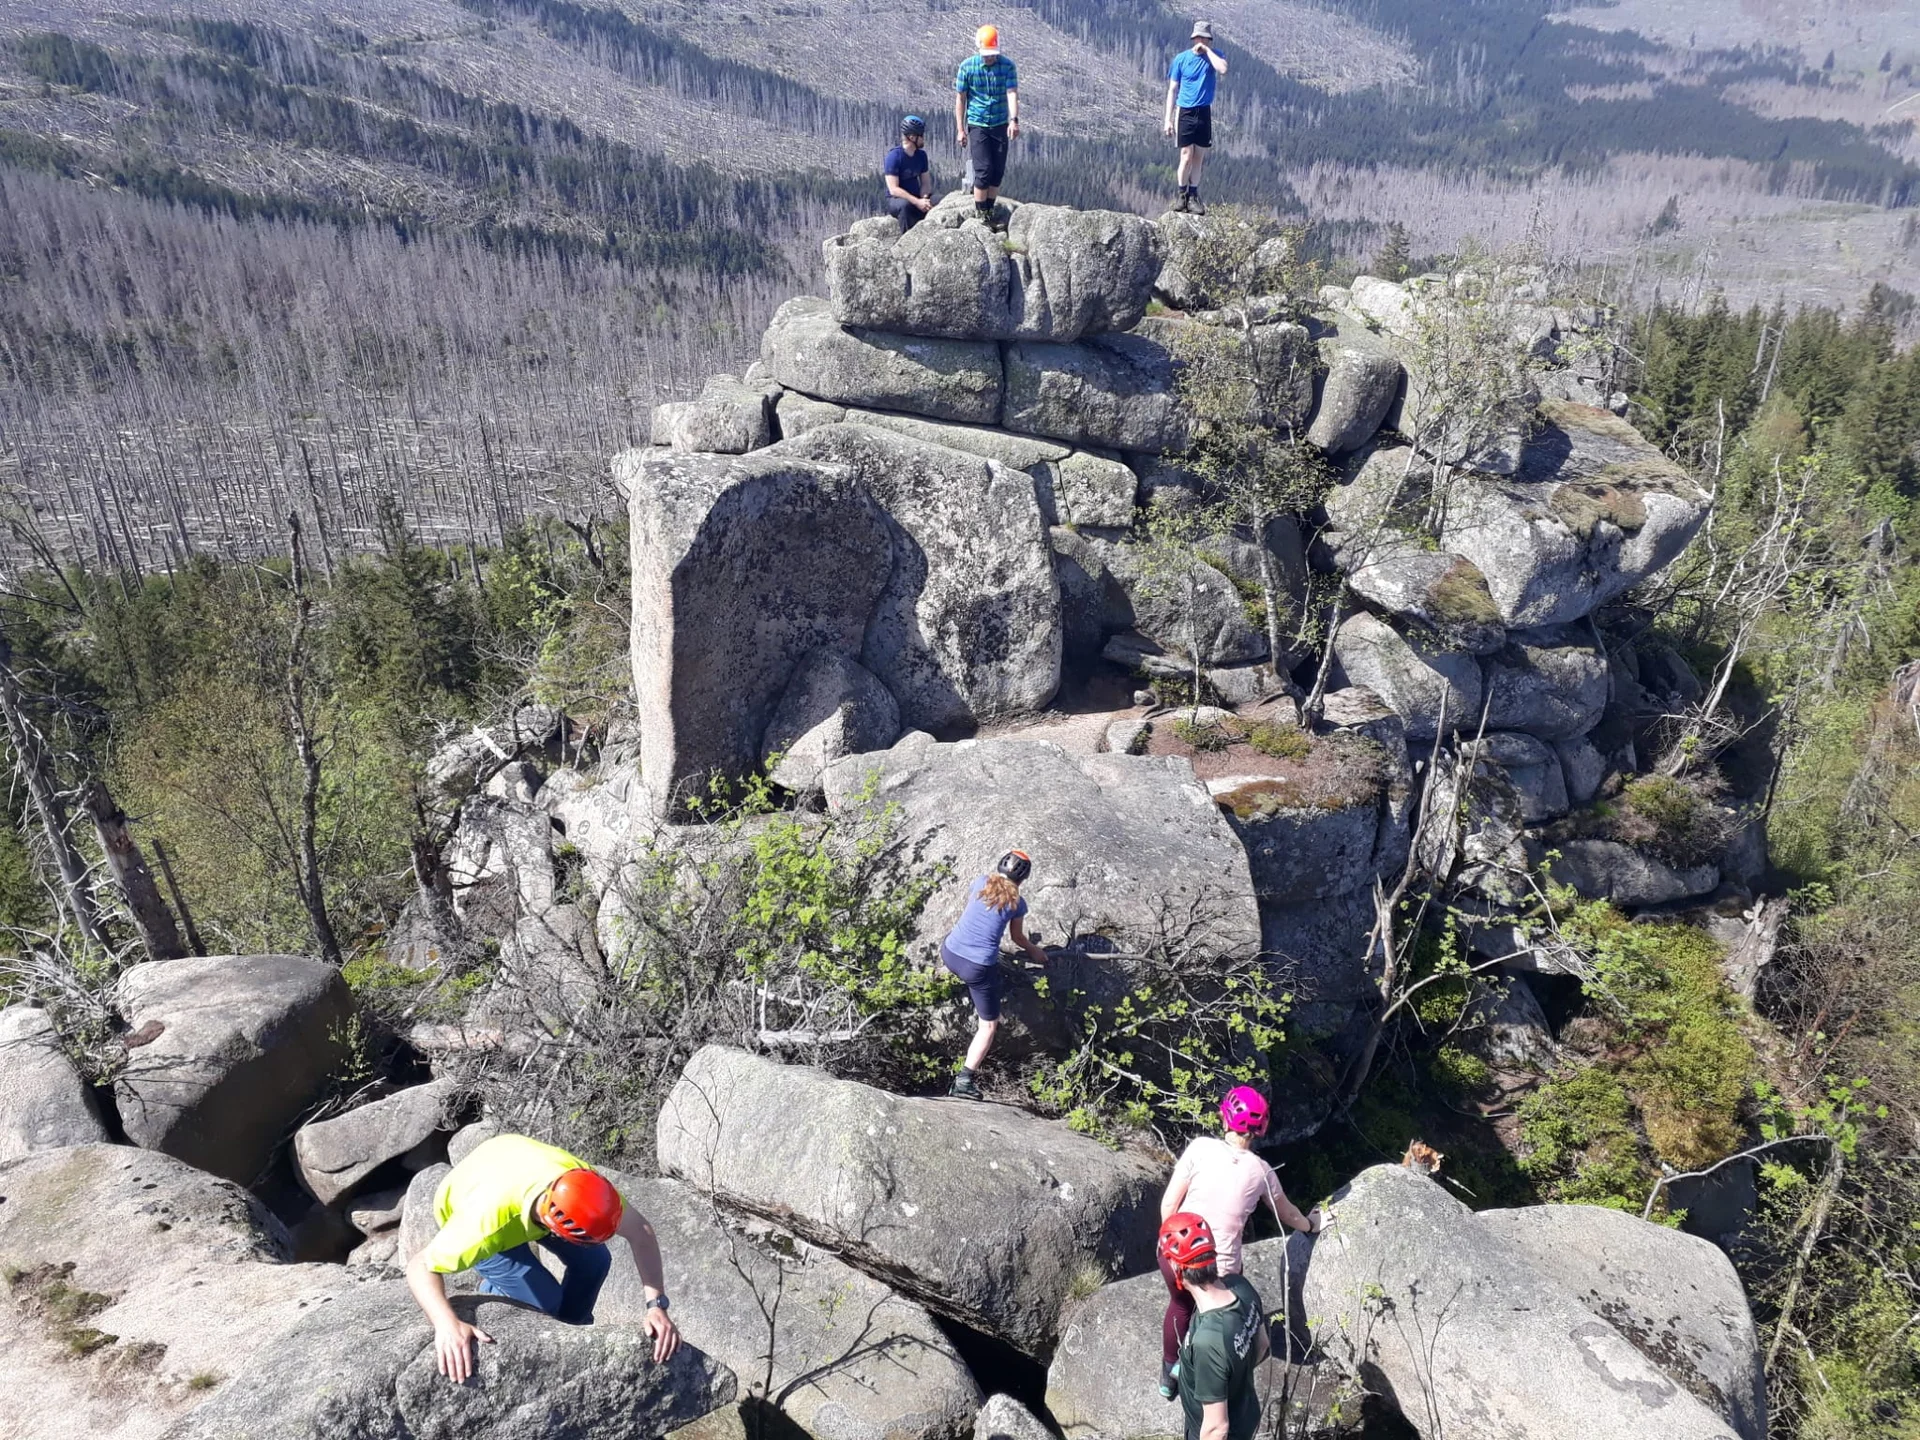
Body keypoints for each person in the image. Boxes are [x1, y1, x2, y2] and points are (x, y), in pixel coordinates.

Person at [405, 1132, 680, 1381]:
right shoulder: (484, 1225)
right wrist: (446, 1325)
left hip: (512, 1167)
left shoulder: (587, 1186)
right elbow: (420, 1266)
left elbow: (641, 1232)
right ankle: (495, 1289)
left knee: (596, 1262)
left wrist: (656, 1305)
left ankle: (574, 1329)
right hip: (466, 1199)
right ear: (553, 1226)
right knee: (545, 1303)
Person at [1156, 1086, 1322, 1399]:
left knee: (1180, 1304)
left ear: (1225, 1116)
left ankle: (1168, 1373)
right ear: (1262, 1127)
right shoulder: (1261, 1171)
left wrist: (1171, 1249)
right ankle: (1192, 1363)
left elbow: (1168, 1206)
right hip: (1221, 1267)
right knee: (1213, 1314)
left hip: (1177, 1250)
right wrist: (1310, 1224)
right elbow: (1286, 1212)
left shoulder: (1200, 1148)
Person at [940, 848, 1048, 1098]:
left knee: (974, 953)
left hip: (949, 952)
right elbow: (1018, 938)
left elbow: (981, 913)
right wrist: (1035, 951)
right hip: (976, 967)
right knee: (989, 1025)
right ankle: (964, 1082)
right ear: (1023, 878)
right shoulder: (1017, 904)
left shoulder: (980, 882)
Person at [1159, 1210, 1269, 1440]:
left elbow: (1216, 1429)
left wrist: (1218, 1377)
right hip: (1245, 1411)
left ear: (1176, 1269)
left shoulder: (1208, 1343)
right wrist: (1232, 1377)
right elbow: (1262, 1345)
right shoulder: (1240, 1286)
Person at [954, 24, 1019, 228]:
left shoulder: (1007, 66)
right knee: (983, 170)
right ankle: (981, 214)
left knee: (997, 171)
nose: (989, 58)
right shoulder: (967, 67)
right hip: (978, 123)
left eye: (992, 54)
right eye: (986, 54)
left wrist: (1013, 119)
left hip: (999, 122)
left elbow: (1011, 93)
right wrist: (960, 129)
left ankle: (989, 211)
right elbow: (961, 99)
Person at [1163, 21, 1227, 214]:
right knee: (1186, 156)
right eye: (1198, 38)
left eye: (1205, 38)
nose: (1201, 41)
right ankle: (1182, 194)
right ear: (1193, 38)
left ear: (1209, 40)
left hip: (1203, 111)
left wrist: (1208, 52)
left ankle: (1193, 195)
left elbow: (1223, 69)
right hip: (1185, 111)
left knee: (1199, 157)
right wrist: (1168, 119)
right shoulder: (1181, 59)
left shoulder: (1215, 56)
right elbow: (1172, 90)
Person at [884, 115, 934, 232]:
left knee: (938, 201)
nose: (923, 139)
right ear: (912, 137)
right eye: (921, 135)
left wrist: (924, 199)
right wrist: (917, 202)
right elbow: (893, 189)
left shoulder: (921, 156)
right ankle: (906, 240)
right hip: (896, 200)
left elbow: (926, 183)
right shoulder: (894, 157)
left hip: (917, 197)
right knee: (905, 206)